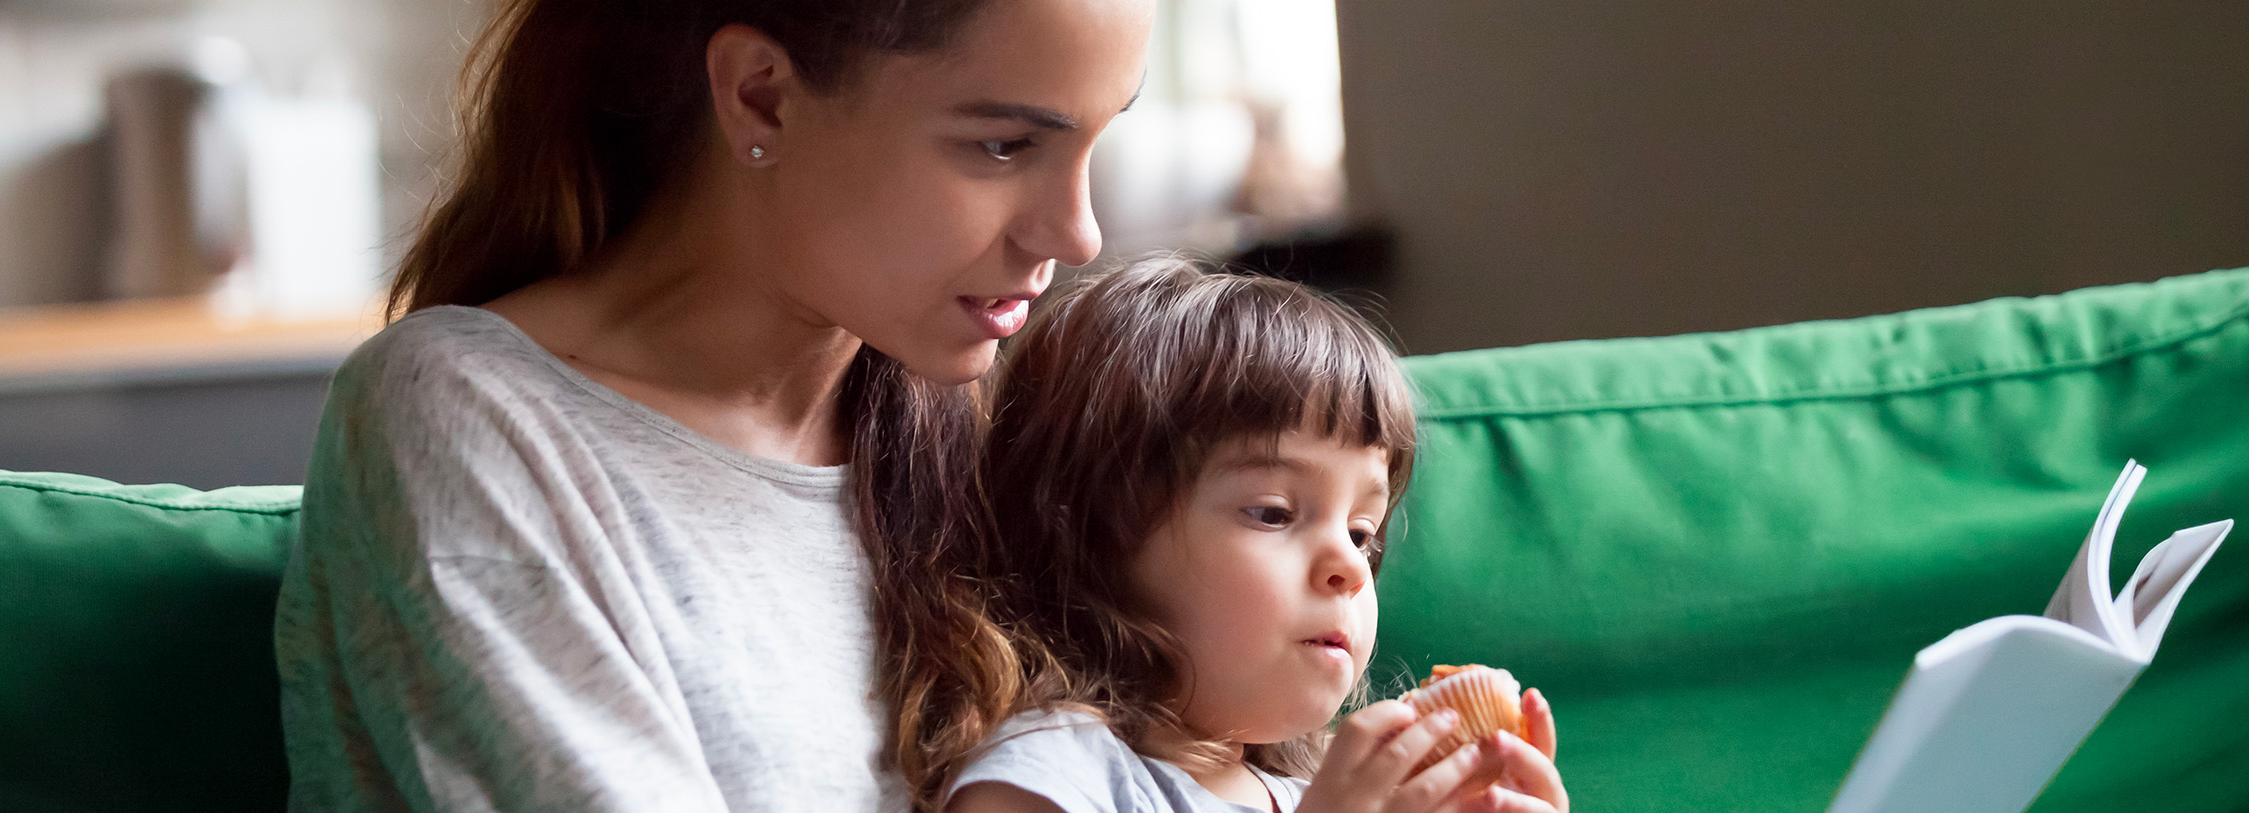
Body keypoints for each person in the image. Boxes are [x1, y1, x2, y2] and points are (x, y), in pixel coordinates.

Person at [272, 0, 1152, 809]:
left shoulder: (983, 446)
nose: (1077, 235)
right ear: (761, 98)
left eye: (1098, 141)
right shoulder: (468, 419)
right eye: (1003, 146)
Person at [912, 261, 1572, 812]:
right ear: (1091, 534)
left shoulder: (1315, 793)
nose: (1348, 564)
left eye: (1362, 531)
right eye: (1273, 512)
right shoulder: (1052, 777)